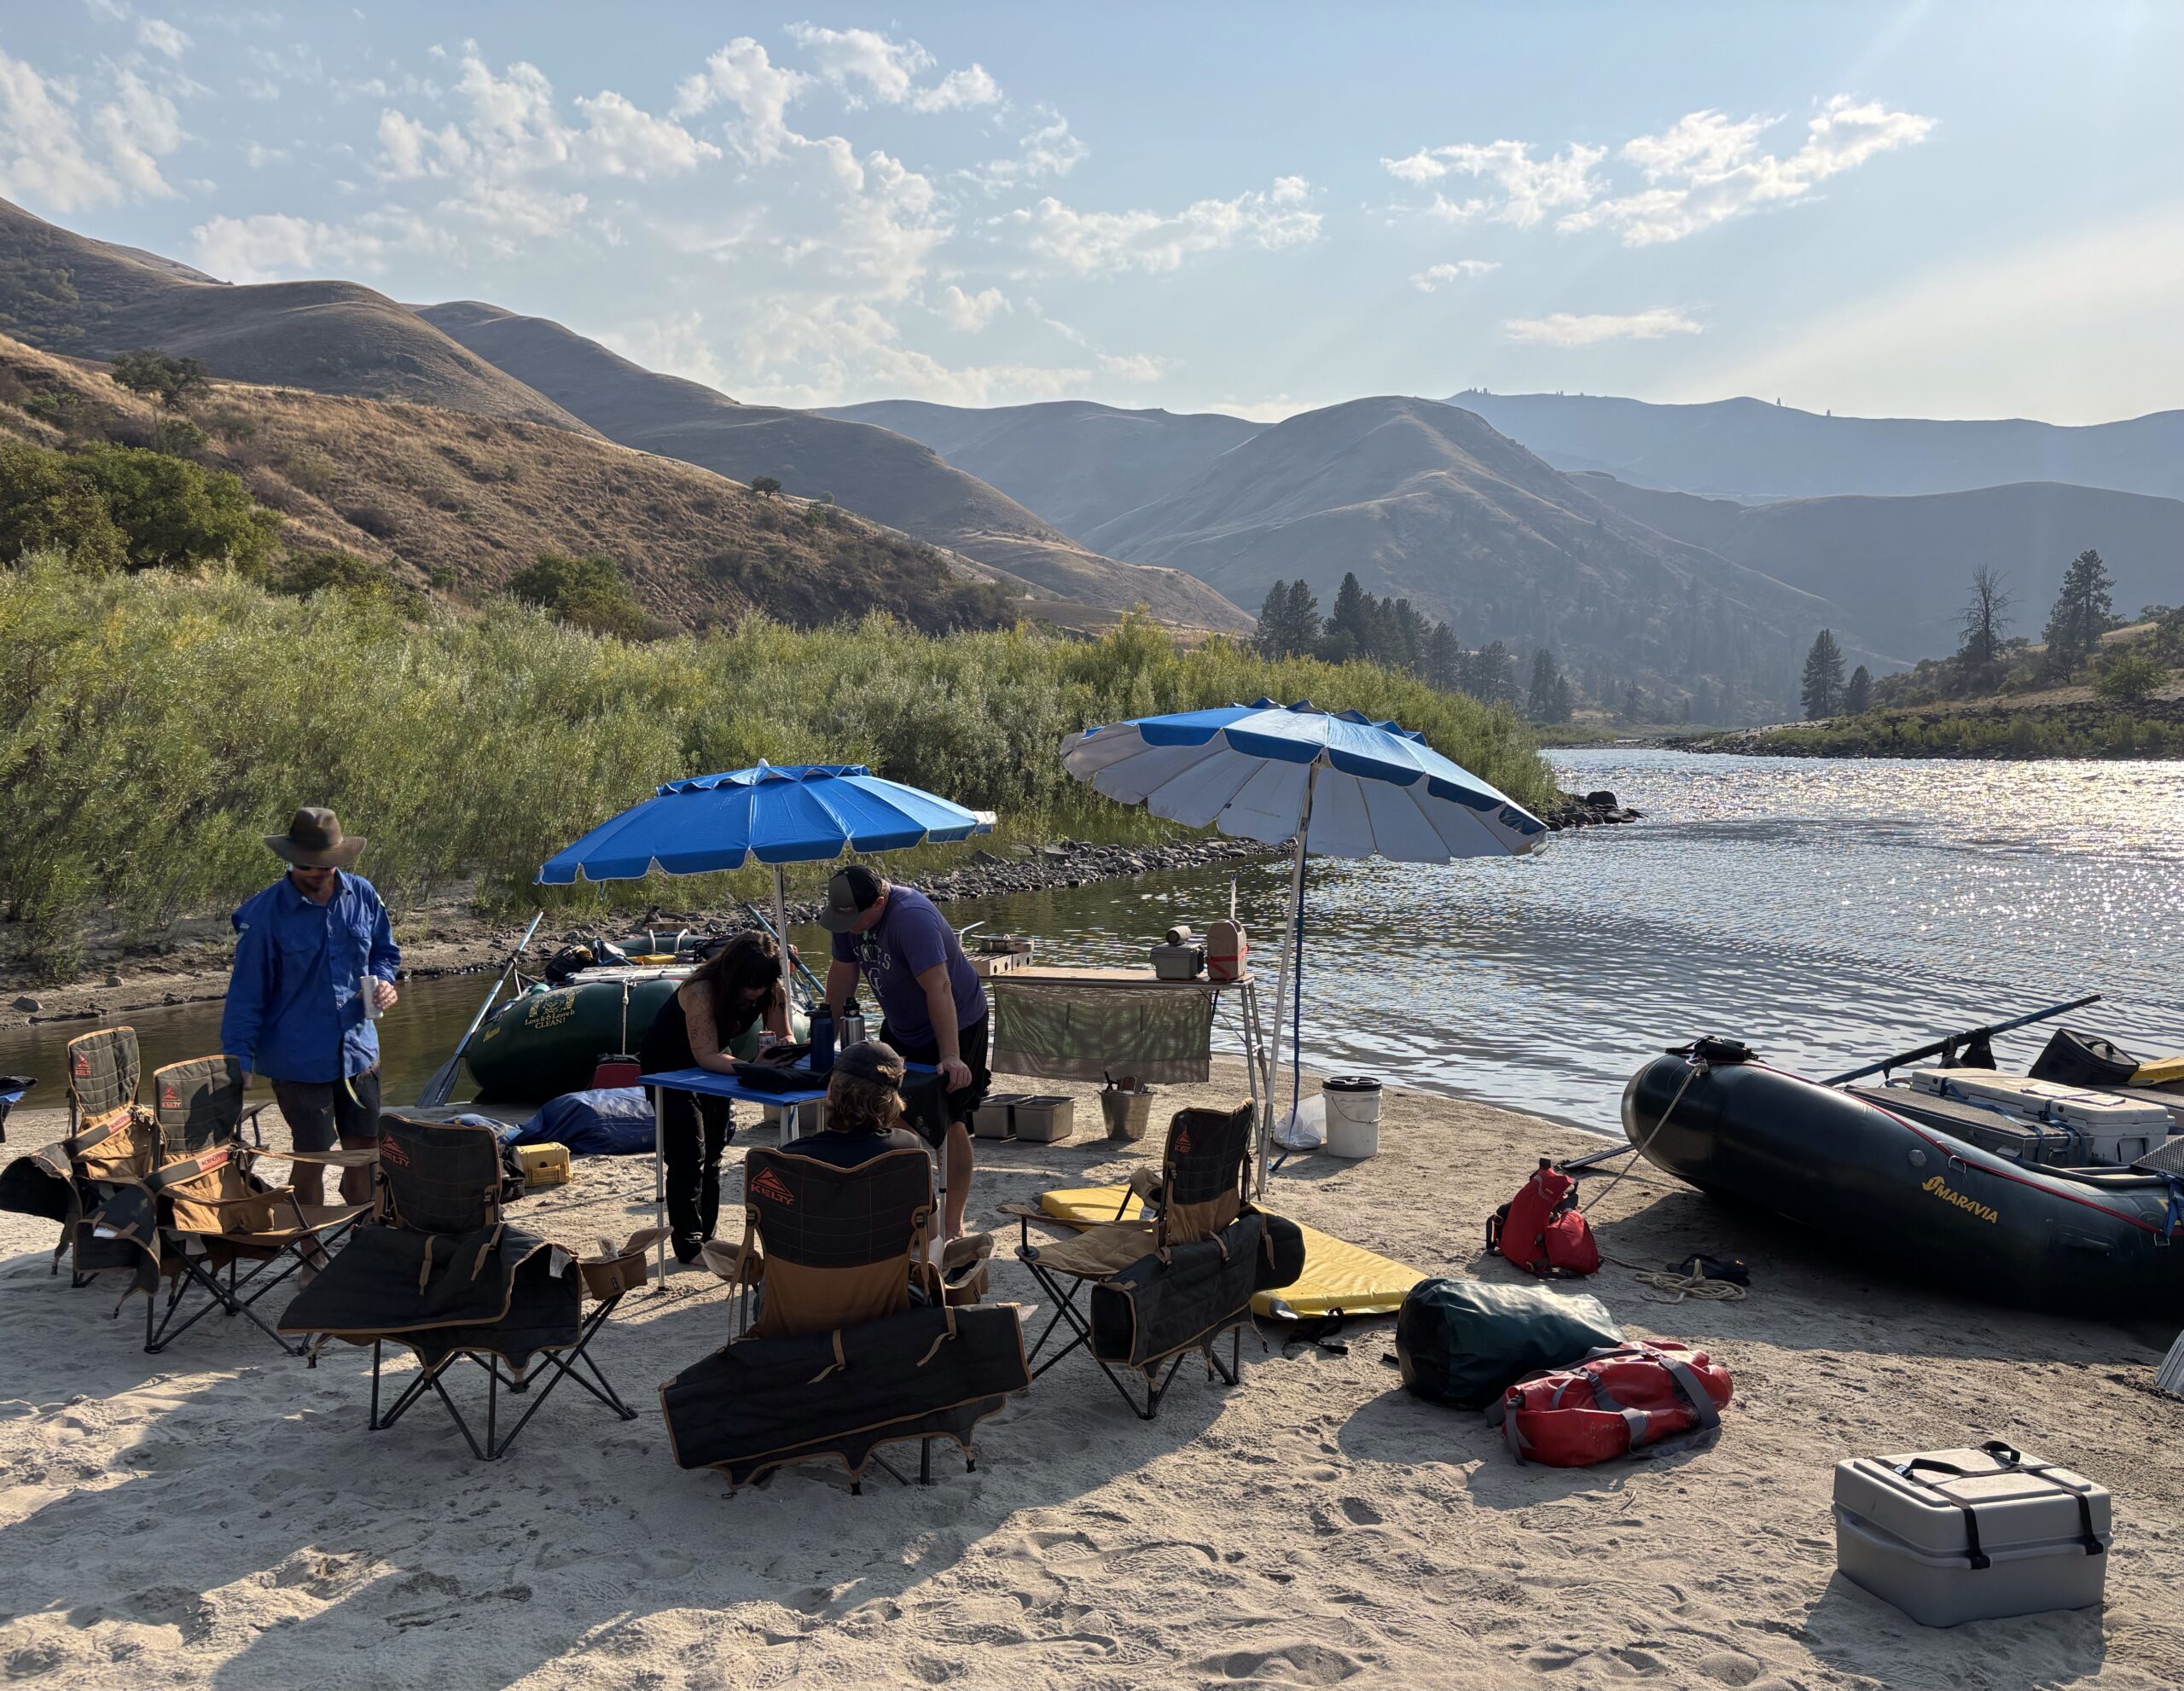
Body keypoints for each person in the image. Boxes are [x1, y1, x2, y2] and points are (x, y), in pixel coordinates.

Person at [221, 807, 399, 1207]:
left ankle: (362, 1225)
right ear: (290, 859)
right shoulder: (262, 917)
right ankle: (309, 1237)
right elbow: (246, 996)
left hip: (360, 1051)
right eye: (307, 866)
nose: (318, 874)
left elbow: (385, 953)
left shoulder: (363, 894)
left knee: (366, 1148)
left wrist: (385, 981)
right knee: (313, 1153)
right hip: (297, 1060)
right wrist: (239, 1060)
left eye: (326, 865)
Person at [819, 864, 987, 1237]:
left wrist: (950, 1055)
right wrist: (822, 1039)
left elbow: (939, 988)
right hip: (900, 1026)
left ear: (879, 903)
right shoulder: (846, 916)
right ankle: (914, 1210)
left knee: (952, 1120)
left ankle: (952, 1225)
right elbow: (843, 975)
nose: (849, 927)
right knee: (888, 1110)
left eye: (856, 920)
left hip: (956, 1022)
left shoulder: (912, 917)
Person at [638, 930, 790, 1263]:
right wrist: (753, 1069)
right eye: (749, 985)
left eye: (762, 985)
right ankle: (689, 1246)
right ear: (733, 974)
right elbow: (705, 1055)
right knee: (688, 1154)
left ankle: (707, 1237)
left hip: (716, 1063)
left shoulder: (770, 987)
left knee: (715, 1150)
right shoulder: (701, 990)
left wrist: (784, 1051)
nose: (755, 992)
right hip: (669, 1066)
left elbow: (784, 1036)